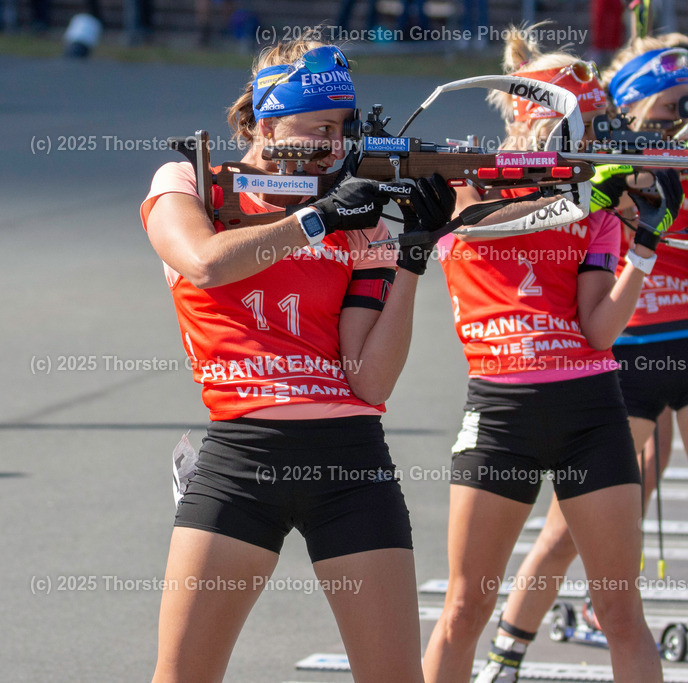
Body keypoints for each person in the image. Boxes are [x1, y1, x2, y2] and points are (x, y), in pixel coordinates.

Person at [142, 35, 455, 683]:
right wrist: (316, 220)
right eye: (317, 130)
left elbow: (368, 378)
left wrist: (414, 256)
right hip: (240, 459)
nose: (335, 147)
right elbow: (204, 263)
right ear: (263, 122)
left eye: (343, 129)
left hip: (352, 459)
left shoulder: (359, 217)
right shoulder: (190, 181)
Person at [475, 34, 688, 683]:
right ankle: (503, 659)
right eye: (669, 110)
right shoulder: (589, 162)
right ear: (632, 108)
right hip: (622, 354)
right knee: (563, 534)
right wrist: (615, 184)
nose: (681, 122)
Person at [422, 25, 677, 683]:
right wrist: (565, 196)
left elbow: (598, 329)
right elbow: (466, 226)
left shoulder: (591, 201)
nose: (590, 141)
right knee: (464, 607)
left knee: (621, 609)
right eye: (580, 124)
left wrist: (642, 245)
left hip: (590, 409)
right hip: (499, 412)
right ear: (535, 115)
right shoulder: (466, 181)